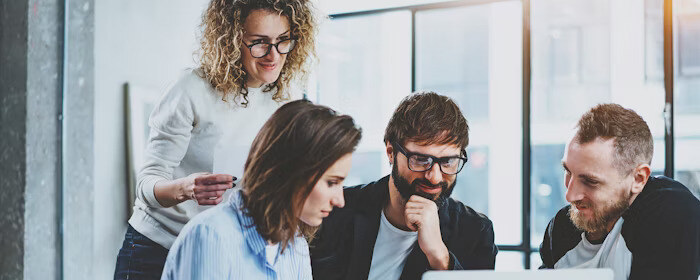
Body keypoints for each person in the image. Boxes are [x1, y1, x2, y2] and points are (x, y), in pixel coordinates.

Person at [114, 0, 319, 278]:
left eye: (283, 41)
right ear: (233, 41)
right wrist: (186, 188)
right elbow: (146, 185)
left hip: (224, 249)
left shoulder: (288, 98)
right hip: (158, 247)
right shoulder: (191, 89)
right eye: (259, 42)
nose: (273, 55)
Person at [161, 100, 361, 279]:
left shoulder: (294, 242)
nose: (340, 200)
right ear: (291, 171)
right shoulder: (212, 236)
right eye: (332, 183)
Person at [310, 92, 498, 280]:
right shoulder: (335, 210)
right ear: (391, 152)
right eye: (421, 160)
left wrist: (440, 257)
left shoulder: (475, 232)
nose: (434, 177)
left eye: (448, 161)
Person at [539, 104, 700, 280]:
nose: (570, 196)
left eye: (590, 181)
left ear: (638, 179)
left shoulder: (672, 212)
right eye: (568, 172)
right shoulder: (563, 228)